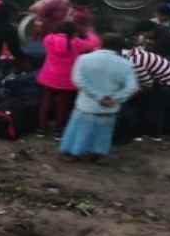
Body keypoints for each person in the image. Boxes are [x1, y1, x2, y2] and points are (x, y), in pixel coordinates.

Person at [59, 34, 139, 162]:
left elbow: (78, 81)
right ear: (119, 48)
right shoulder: (126, 65)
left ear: (101, 44)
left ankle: (74, 153)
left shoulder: (84, 58)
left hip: (86, 105)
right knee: (102, 133)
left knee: (79, 131)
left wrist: (97, 97)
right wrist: (116, 98)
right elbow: (132, 87)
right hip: (109, 108)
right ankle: (96, 154)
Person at [38, 22, 101, 134]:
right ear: (73, 32)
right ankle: (59, 130)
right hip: (66, 80)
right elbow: (94, 44)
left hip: (48, 77)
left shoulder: (49, 39)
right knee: (62, 105)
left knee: (46, 102)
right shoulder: (76, 43)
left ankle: (41, 128)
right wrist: (89, 32)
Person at [123, 42, 170, 139]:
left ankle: (153, 133)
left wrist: (131, 95)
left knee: (151, 104)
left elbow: (147, 84)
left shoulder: (134, 62)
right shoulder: (136, 53)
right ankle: (166, 129)